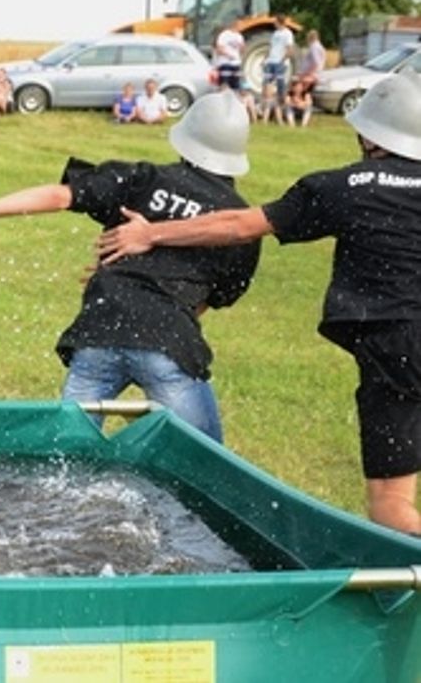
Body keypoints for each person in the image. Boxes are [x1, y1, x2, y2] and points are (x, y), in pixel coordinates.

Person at [95, 70, 421, 536]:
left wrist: (151, 232)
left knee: (391, 505)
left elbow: (238, 225)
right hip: (401, 354)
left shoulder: (343, 187)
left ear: (368, 135)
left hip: (398, 353)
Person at [0, 91, 259, 441]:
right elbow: (213, 296)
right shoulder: (241, 224)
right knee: (205, 463)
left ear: (184, 137)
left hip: (99, 333)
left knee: (68, 462)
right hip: (170, 344)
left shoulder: (142, 179)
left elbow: (58, 195)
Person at [263, 14, 295, 99]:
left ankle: (281, 101)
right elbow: (271, 47)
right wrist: (265, 58)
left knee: (280, 82)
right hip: (271, 61)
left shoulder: (288, 33)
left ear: (279, 22)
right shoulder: (275, 33)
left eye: (275, 22)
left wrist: (283, 60)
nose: (274, 23)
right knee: (266, 82)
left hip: (280, 62)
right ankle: (266, 102)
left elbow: (290, 49)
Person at [213, 23, 245, 92]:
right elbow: (219, 49)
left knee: (236, 85)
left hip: (236, 64)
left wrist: (242, 47)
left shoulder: (239, 36)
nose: (241, 26)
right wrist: (229, 55)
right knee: (224, 84)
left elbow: (241, 50)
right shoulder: (224, 35)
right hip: (225, 63)